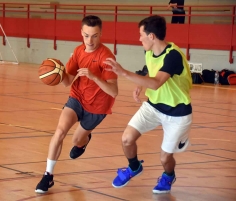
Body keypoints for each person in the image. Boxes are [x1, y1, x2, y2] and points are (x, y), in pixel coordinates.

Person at [103, 15, 192, 194]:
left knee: (165, 158)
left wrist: (124, 73)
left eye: (141, 34)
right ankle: (134, 167)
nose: (139, 38)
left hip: (177, 113)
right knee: (127, 139)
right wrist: (139, 85)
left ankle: (168, 176)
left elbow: (157, 82)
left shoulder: (173, 56)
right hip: (154, 106)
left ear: (151, 36)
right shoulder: (149, 51)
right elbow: (150, 70)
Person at [35, 15, 118, 194]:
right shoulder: (78, 51)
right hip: (77, 98)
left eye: (95, 36)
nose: (90, 40)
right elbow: (67, 82)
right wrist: (58, 70)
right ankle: (48, 175)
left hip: (97, 107)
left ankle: (83, 141)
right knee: (60, 132)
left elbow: (114, 91)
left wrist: (94, 76)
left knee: (75, 140)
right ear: (81, 33)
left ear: (101, 34)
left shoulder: (107, 57)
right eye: (87, 35)